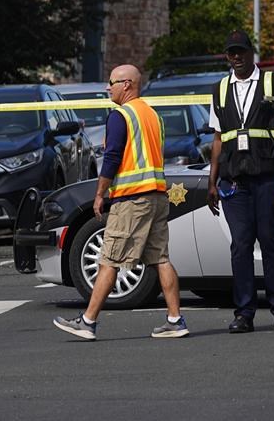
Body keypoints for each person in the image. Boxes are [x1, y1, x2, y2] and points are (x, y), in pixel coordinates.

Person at [53, 64, 188, 340]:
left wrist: (100, 193)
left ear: (127, 84)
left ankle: (88, 322)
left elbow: (113, 157)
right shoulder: (152, 114)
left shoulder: (120, 115)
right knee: (160, 258)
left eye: (112, 82)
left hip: (132, 198)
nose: (107, 87)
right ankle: (175, 320)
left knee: (109, 259)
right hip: (157, 195)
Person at [207, 30, 274, 333]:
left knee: (271, 242)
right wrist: (212, 180)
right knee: (240, 246)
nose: (236, 58)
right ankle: (244, 313)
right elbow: (218, 139)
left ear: (251, 53)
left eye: (241, 52)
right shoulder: (220, 90)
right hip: (235, 181)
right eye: (231, 53)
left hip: (267, 177)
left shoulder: (272, 83)